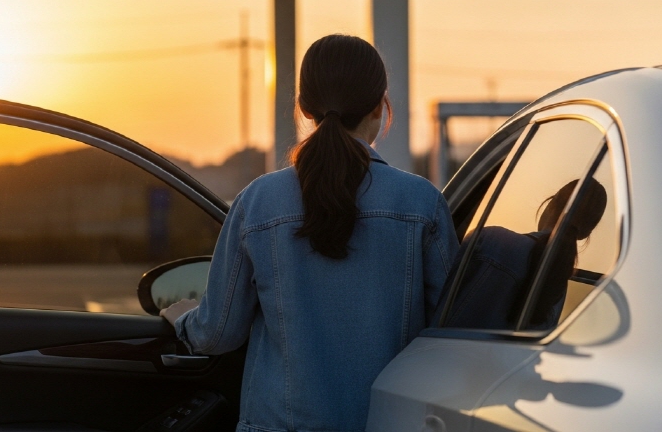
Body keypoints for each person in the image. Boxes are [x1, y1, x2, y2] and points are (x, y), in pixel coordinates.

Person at [159, 34, 460, 432]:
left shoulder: (258, 202)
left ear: (303, 106)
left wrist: (183, 320)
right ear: (379, 107)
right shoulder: (422, 203)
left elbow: (217, 334)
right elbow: (455, 331)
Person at [446, 179, 607, 331]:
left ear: (551, 205)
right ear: (586, 232)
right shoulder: (558, 283)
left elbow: (438, 303)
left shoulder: (490, 239)